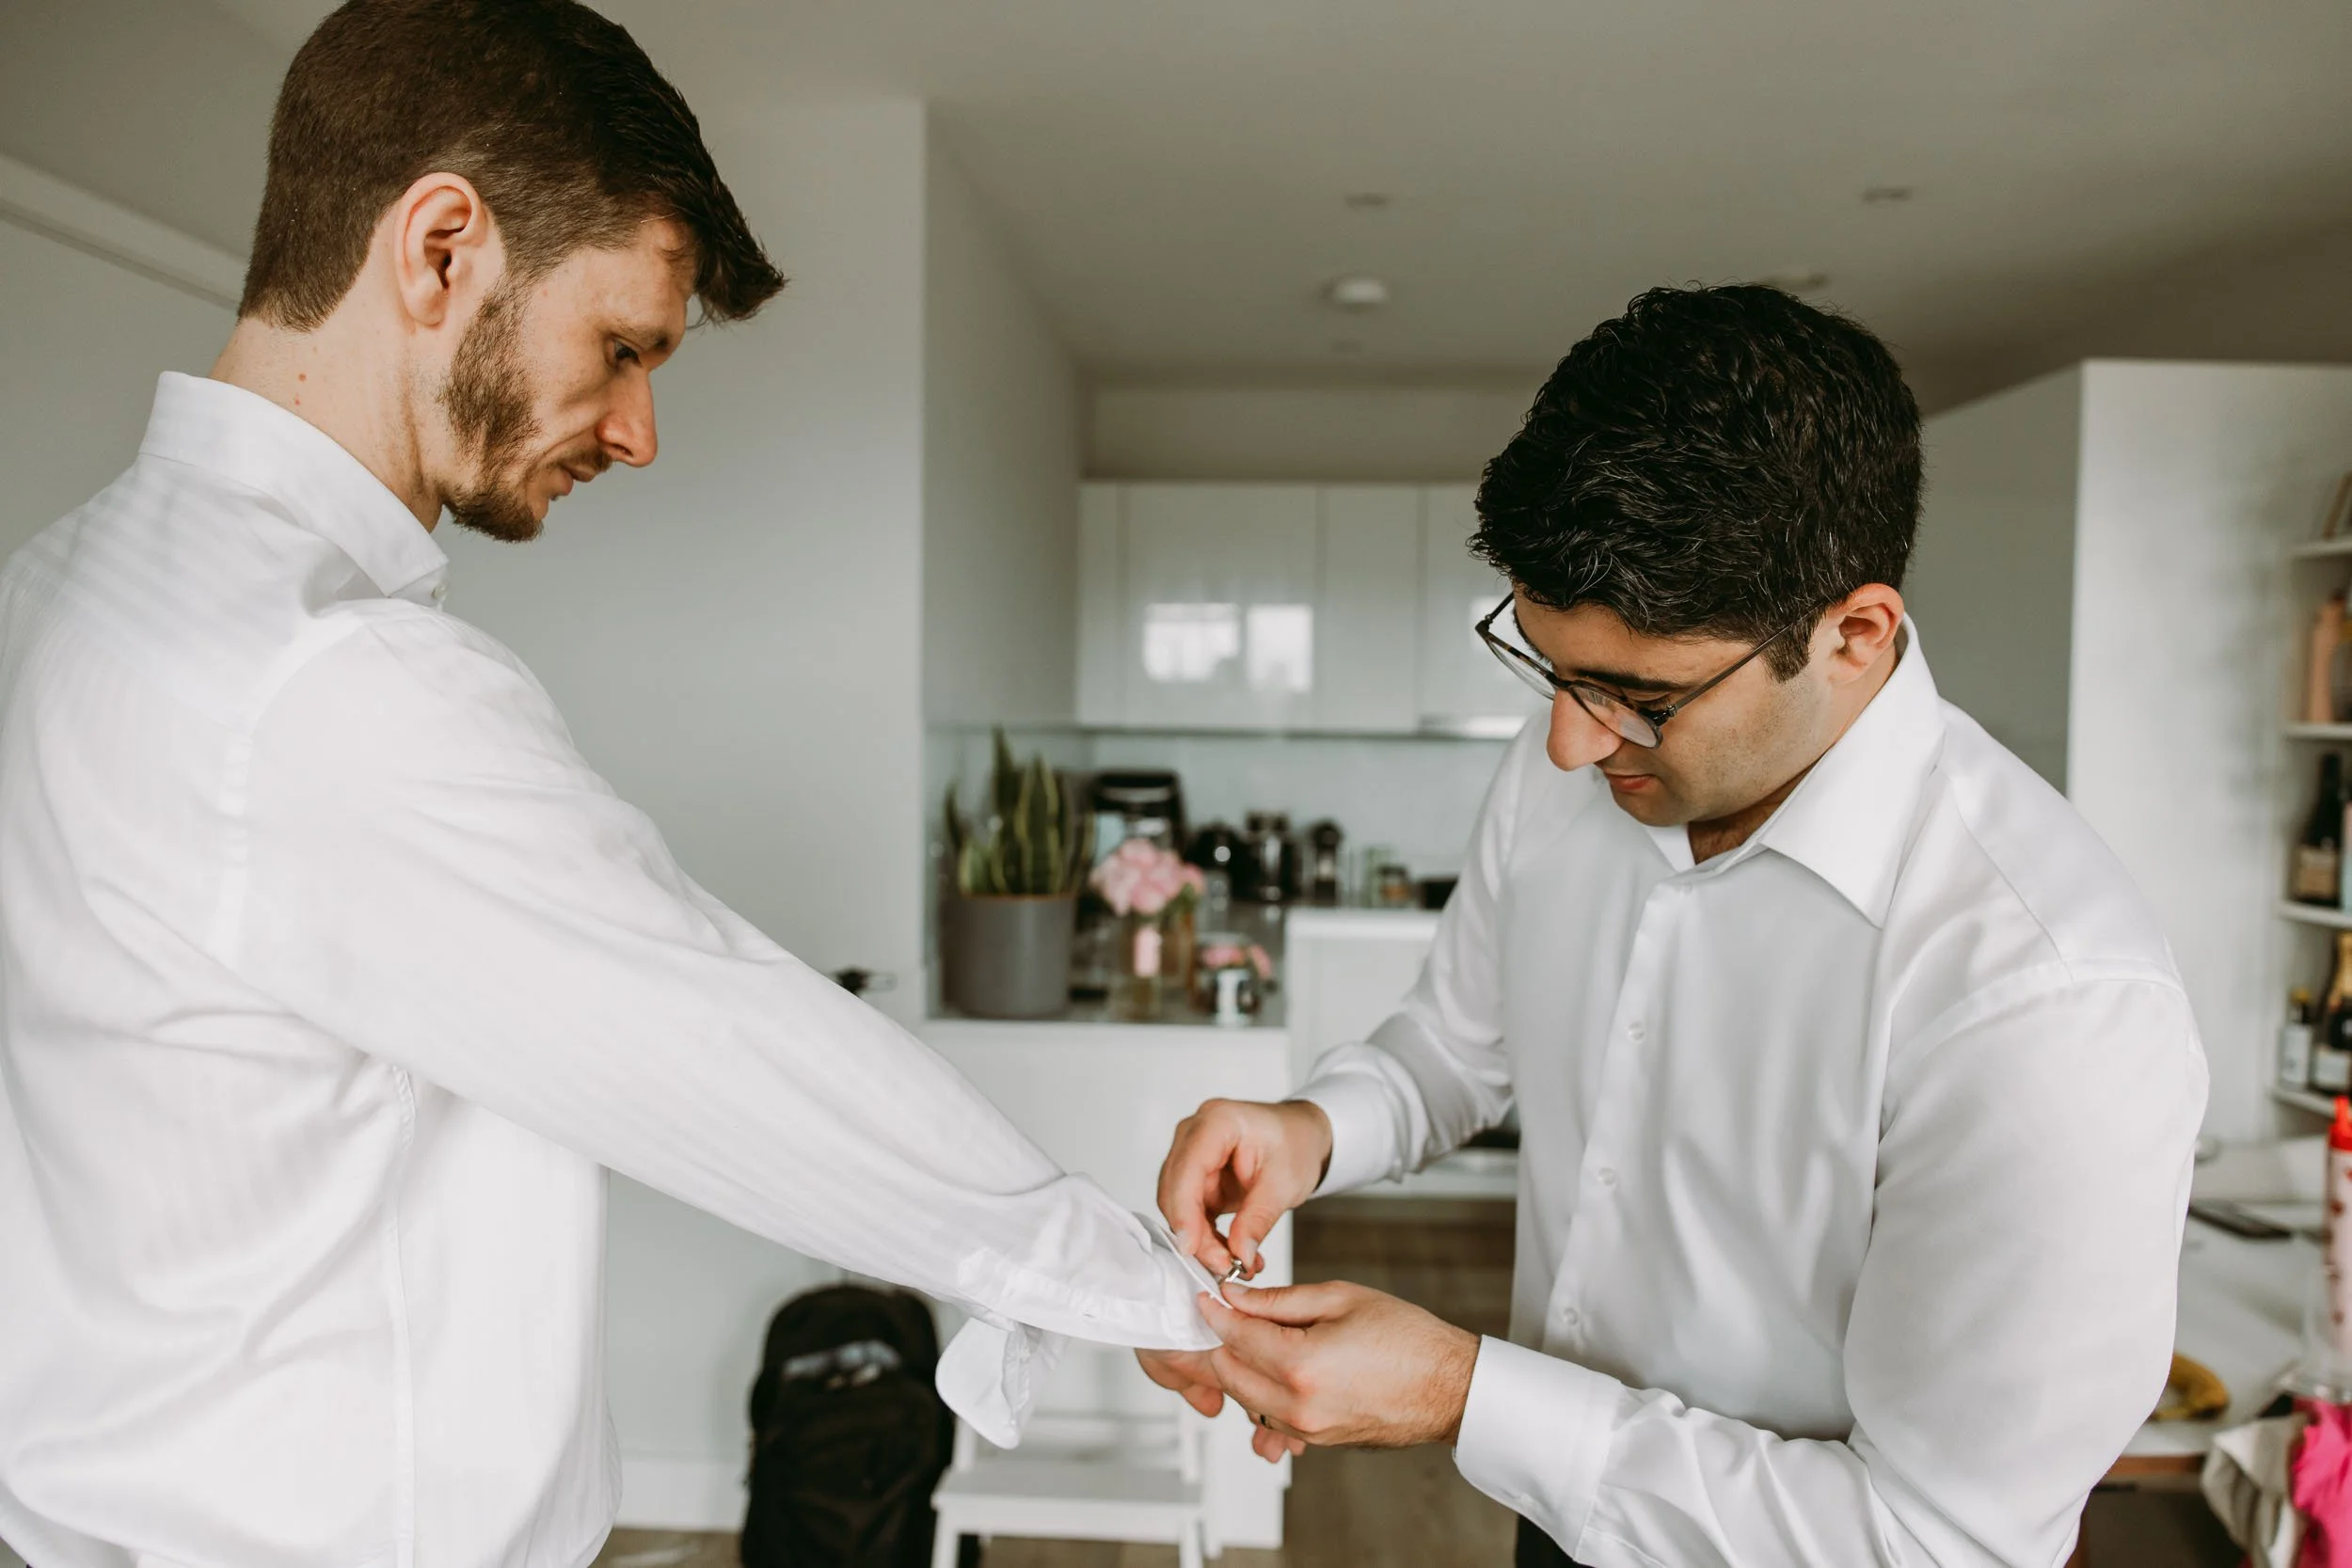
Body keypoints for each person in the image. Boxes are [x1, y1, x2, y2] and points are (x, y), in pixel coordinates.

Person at [0, 5, 1215, 1565]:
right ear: (441, 248)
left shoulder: (47, 592)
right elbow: (733, 1046)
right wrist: (1153, 1290)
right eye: (624, 346)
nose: (639, 431)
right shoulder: (331, 680)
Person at [1143, 285, 2207, 1567]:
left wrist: (1462, 1395)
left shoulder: (2046, 993)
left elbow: (1940, 1539)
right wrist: (1315, 1129)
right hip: (1553, 1516)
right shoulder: (1573, 767)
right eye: (1547, 665)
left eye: (1638, 696)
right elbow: (1460, 1039)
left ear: (1854, 636)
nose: (1566, 740)